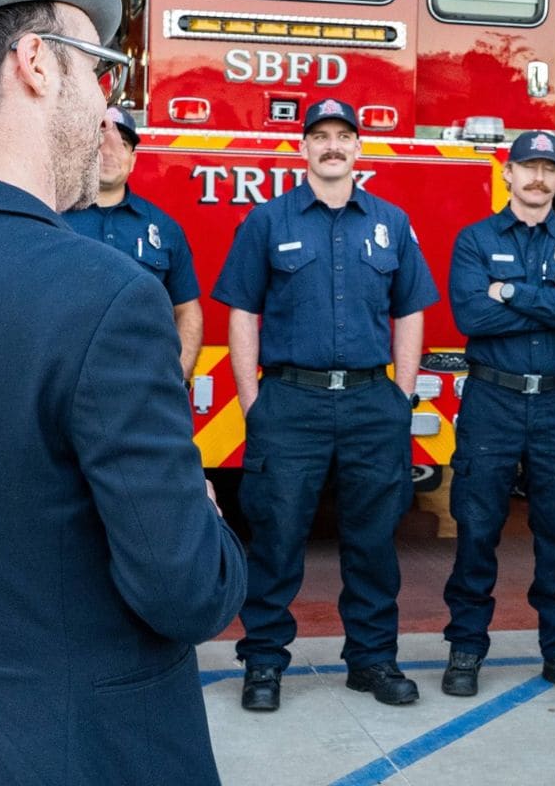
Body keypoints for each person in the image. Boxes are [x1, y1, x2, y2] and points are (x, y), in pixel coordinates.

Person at [0, 0, 245, 784]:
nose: (106, 104)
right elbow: (186, 589)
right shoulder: (102, 296)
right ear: (35, 65)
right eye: (98, 70)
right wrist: (202, 512)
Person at [212, 97, 438, 712]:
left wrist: (404, 393)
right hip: (290, 402)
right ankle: (263, 662)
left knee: (372, 541)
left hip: (372, 402)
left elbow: (411, 309)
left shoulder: (391, 221)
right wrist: (254, 400)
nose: (332, 146)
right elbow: (242, 312)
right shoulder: (267, 221)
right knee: (277, 536)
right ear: (304, 148)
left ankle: (372, 661)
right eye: (321, 136)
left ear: (359, 148)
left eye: (343, 136)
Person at [442, 130, 555, 699]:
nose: (538, 177)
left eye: (549, 169)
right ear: (507, 173)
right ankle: (466, 648)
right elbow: (471, 315)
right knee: (476, 528)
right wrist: (549, 298)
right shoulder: (474, 240)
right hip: (493, 401)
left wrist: (510, 293)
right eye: (527, 167)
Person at [63, 106, 203, 381]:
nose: (110, 152)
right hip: (66, 383)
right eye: (99, 141)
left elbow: (187, 310)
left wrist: (177, 378)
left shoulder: (164, 228)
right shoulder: (53, 217)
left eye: (123, 144)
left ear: (133, 159)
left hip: (141, 384)